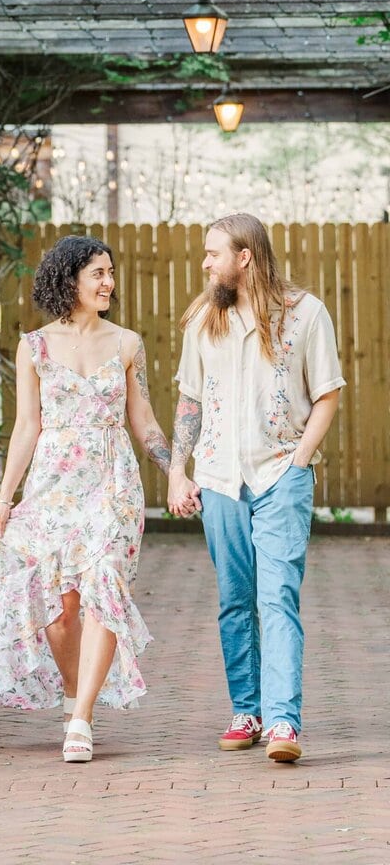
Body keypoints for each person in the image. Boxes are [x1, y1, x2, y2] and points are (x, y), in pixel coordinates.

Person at [0, 234, 173, 764]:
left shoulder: (127, 343)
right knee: (60, 613)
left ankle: (81, 717)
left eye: (110, 272)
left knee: (104, 584)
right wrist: (6, 496)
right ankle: (72, 691)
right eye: (97, 274)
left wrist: (176, 474)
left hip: (112, 485)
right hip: (52, 487)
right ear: (70, 280)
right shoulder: (33, 346)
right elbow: (26, 426)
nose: (108, 282)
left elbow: (144, 420)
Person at [167, 213, 345, 763]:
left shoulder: (305, 314)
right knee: (235, 601)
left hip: (279, 477)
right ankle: (247, 710)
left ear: (244, 257)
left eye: (213, 253)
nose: (204, 263)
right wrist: (177, 470)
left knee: (277, 597)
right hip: (219, 478)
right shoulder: (204, 320)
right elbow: (190, 401)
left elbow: (328, 393)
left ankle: (284, 722)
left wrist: (300, 461)